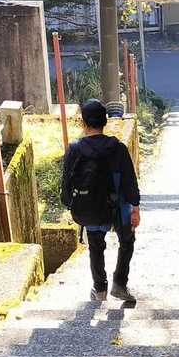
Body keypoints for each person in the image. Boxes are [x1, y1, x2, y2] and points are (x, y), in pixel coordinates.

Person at [62, 99, 142, 306]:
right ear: (105, 121)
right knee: (127, 241)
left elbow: (66, 183)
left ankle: (99, 289)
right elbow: (129, 180)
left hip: (89, 206)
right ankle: (120, 284)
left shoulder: (75, 149)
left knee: (95, 247)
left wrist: (70, 204)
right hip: (118, 207)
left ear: (83, 123)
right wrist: (135, 207)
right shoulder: (118, 148)